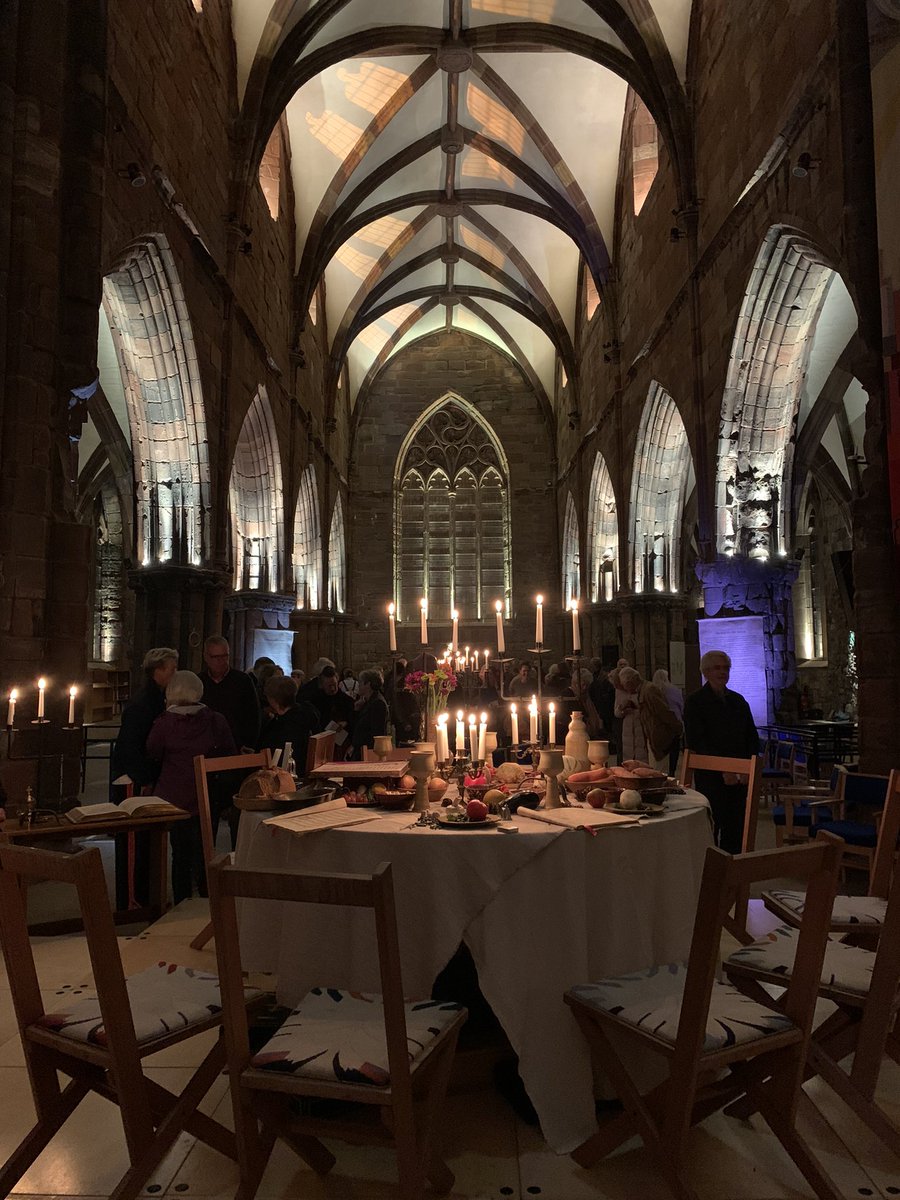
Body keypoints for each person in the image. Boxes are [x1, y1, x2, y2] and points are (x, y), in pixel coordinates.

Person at [146, 670, 236, 903]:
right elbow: (228, 752)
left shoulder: (165, 724)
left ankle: (182, 901)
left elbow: (153, 752)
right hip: (207, 795)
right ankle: (208, 898)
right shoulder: (215, 720)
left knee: (180, 854)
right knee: (206, 850)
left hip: (175, 797)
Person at [110, 646, 178, 908]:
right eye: (171, 669)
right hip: (133, 781)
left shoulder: (157, 698)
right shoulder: (142, 704)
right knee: (133, 841)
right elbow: (130, 747)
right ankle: (133, 900)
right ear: (158, 671)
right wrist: (145, 779)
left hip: (145, 778)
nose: (174, 673)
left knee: (147, 841)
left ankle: (146, 896)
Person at [683, 649, 760, 854]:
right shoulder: (695, 702)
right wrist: (723, 770)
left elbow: (751, 736)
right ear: (706, 672)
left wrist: (746, 769)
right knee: (711, 827)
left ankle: (731, 875)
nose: (723, 672)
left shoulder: (738, 701)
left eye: (726, 668)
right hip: (711, 777)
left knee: (735, 829)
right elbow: (697, 741)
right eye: (717, 668)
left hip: (740, 777)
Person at [614, 667, 680, 772]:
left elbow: (664, 712)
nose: (625, 689)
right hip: (654, 738)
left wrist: (677, 729)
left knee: (660, 773)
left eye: (625, 685)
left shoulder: (649, 690)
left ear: (631, 682)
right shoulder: (643, 690)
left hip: (660, 739)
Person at [258, 675, 321, 767]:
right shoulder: (307, 712)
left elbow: (277, 757)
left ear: (273, 700)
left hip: (288, 775)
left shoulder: (285, 726)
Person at [298, 664, 355, 750]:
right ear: (322, 685)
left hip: (343, 743)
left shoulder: (347, 700)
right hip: (323, 742)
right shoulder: (315, 701)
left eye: (334, 685)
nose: (332, 689)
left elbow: (353, 720)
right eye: (329, 686)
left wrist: (346, 722)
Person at [351, 669, 390, 759]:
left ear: (368, 684)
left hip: (368, 752)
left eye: (360, 683)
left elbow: (376, 732)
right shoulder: (368, 701)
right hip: (361, 750)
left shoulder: (377, 703)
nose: (358, 686)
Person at [653, 668, 685, 774]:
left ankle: (663, 771)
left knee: (664, 749)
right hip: (675, 720)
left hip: (661, 724)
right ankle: (672, 770)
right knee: (674, 749)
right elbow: (681, 705)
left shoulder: (655, 690)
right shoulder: (674, 689)